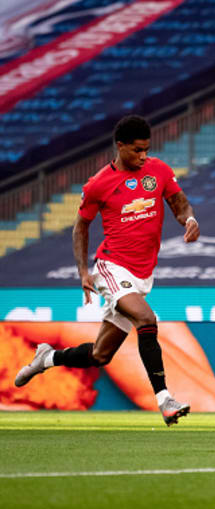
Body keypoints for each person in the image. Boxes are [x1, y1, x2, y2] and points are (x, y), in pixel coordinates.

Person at [14, 115, 200, 426]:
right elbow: (80, 227)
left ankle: (48, 357)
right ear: (121, 146)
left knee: (101, 355)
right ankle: (165, 399)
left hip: (141, 275)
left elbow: (180, 203)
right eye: (137, 150)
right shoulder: (99, 183)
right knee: (146, 319)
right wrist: (84, 271)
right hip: (113, 267)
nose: (143, 156)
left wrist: (189, 220)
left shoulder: (159, 171)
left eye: (147, 150)